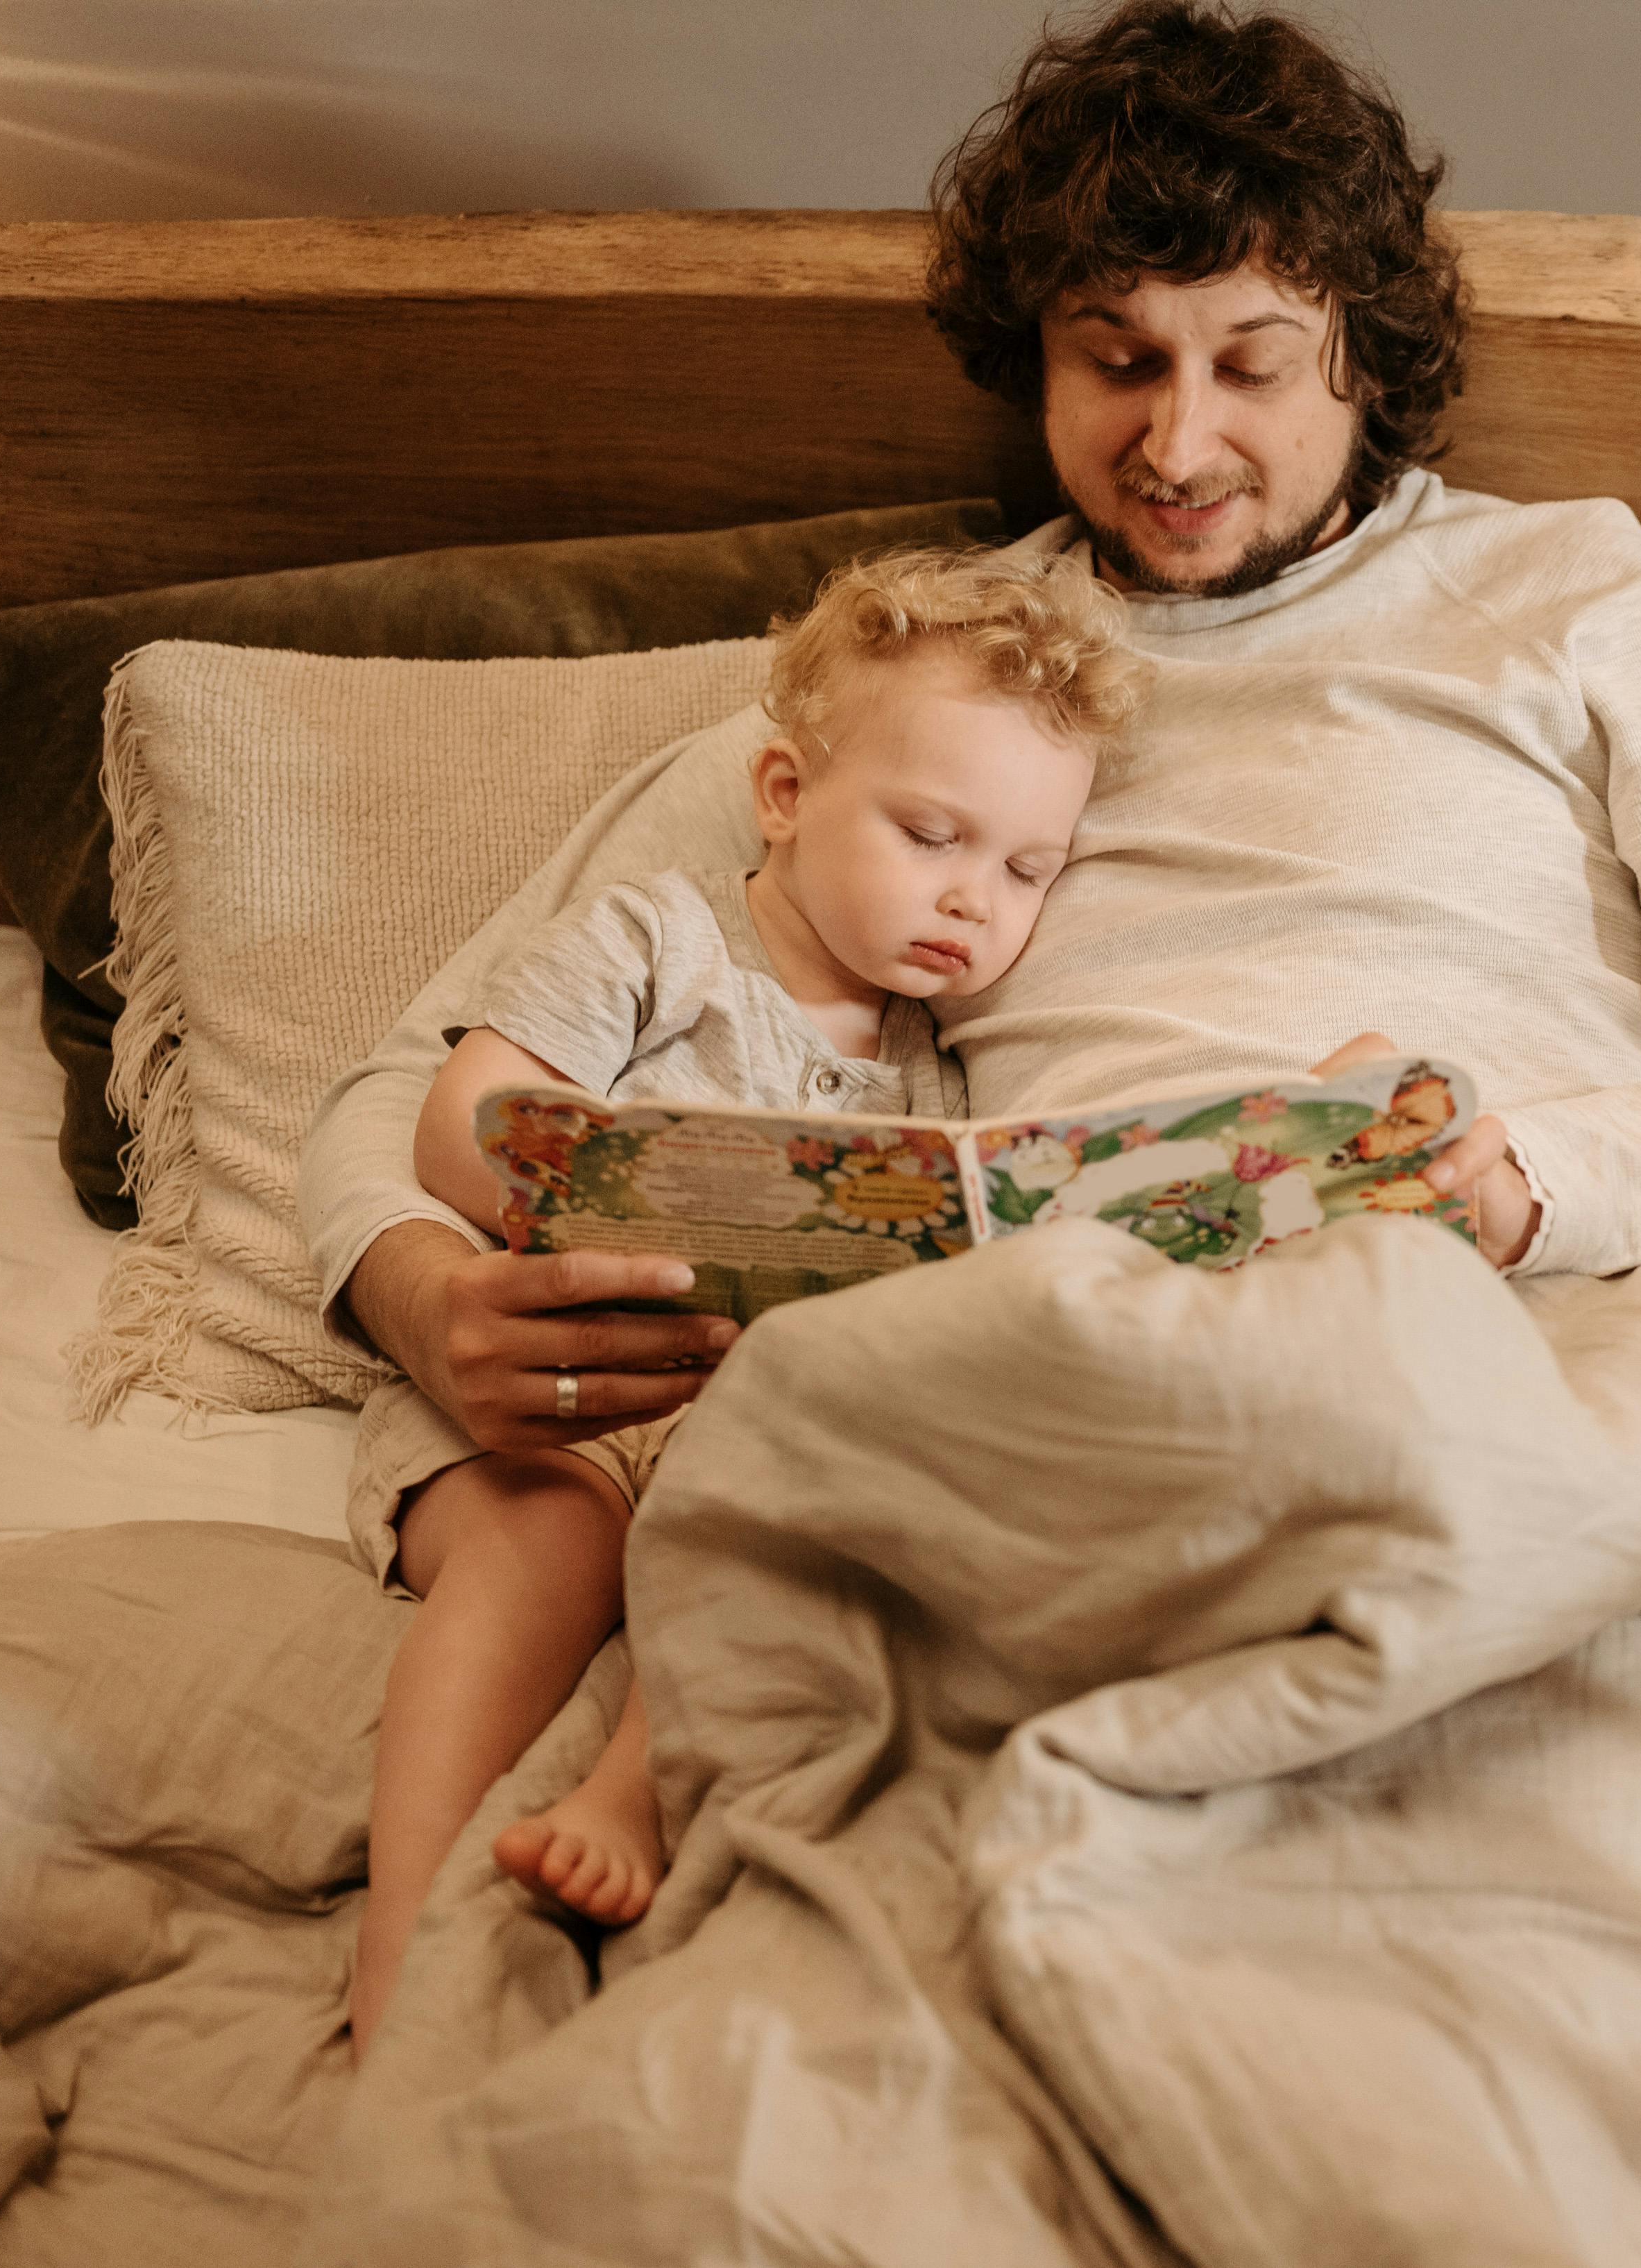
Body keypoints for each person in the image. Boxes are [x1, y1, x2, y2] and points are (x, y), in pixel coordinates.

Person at [298, 0, 1641, 2040]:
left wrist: (1534, 1180)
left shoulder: (1574, 600)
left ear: (1364, 353)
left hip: (1518, 1319)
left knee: (1523, 1898)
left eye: (1250, 366)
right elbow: (424, 1072)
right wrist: (416, 1293)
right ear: (1035, 357)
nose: (1178, 443)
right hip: (1050, 1360)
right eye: (1116, 362)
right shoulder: (933, 681)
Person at [340, 545, 1146, 2056]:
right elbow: (462, 1125)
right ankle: (397, 1946)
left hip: (744, 1422)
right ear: (785, 794)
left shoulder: (933, 1062)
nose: (975, 901)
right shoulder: (660, 939)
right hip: (561, 1396)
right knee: (543, 1547)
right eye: (932, 834)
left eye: (1026, 869)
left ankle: (627, 1788)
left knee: (804, 1535)